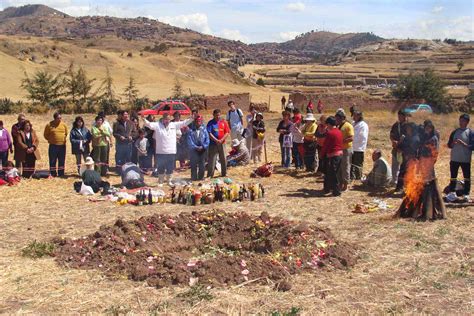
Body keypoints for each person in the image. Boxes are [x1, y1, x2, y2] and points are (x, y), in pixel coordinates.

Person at [142, 113, 192, 185]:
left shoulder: (174, 125)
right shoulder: (157, 125)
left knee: (170, 167)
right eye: (165, 119)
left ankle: (169, 181)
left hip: (171, 151)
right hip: (161, 151)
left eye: (168, 119)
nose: (167, 121)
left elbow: (184, 123)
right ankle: (160, 182)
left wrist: (191, 118)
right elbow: (149, 124)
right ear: (163, 119)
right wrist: (144, 119)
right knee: (161, 167)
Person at [447, 114, 473, 202]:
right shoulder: (455, 132)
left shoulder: (470, 133)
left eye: (463, 121)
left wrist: (463, 144)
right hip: (454, 158)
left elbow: (472, 146)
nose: (461, 122)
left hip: (465, 159)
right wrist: (453, 143)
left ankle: (466, 194)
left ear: (467, 122)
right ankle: (452, 192)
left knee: (466, 177)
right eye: (460, 120)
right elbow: (449, 145)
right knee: (453, 176)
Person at [321, 116, 343, 196]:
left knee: (332, 174)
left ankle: (336, 191)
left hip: (332, 155)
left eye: (327, 124)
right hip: (340, 154)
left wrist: (322, 154)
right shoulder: (339, 131)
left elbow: (326, 145)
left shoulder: (330, 133)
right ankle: (327, 188)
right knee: (333, 173)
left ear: (329, 124)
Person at [395, 122, 421, 192]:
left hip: (411, 160)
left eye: (409, 128)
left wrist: (407, 153)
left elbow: (413, 149)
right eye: (407, 128)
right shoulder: (405, 137)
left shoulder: (415, 138)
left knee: (410, 174)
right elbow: (401, 146)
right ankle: (399, 187)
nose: (407, 129)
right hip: (404, 158)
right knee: (402, 172)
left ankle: (410, 189)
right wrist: (399, 148)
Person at [207, 109, 230, 178]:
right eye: (216, 115)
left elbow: (227, 132)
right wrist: (216, 140)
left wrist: (222, 139)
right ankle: (210, 175)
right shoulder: (210, 123)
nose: (218, 116)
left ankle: (224, 173)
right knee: (212, 159)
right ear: (213, 115)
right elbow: (209, 133)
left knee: (223, 158)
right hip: (213, 144)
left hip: (222, 143)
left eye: (219, 115)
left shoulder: (223, 122)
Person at [44, 112, 68, 177]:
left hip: (62, 146)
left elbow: (66, 133)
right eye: (58, 118)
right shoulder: (49, 125)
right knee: (52, 160)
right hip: (53, 146)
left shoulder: (64, 125)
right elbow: (45, 135)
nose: (60, 119)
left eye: (60, 118)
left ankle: (61, 173)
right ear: (54, 118)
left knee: (62, 160)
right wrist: (51, 140)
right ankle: (53, 173)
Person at [187, 115, 210, 181]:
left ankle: (201, 177)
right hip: (194, 150)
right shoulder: (190, 130)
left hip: (202, 149)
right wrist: (196, 147)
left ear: (201, 121)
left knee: (202, 164)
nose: (198, 122)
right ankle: (194, 177)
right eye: (197, 121)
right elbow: (189, 140)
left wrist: (203, 146)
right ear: (194, 122)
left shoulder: (204, 129)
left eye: (199, 121)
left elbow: (207, 139)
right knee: (193, 164)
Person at [335, 110, 354, 191]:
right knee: (339, 167)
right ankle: (340, 183)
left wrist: (342, 141)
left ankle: (346, 185)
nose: (336, 120)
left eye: (338, 119)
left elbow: (351, 138)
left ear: (342, 118)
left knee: (345, 166)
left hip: (346, 149)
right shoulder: (338, 126)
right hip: (339, 149)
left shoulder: (348, 126)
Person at [389, 110, 408, 186]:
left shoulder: (409, 125)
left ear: (405, 116)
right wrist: (393, 141)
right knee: (395, 166)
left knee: (404, 167)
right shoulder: (396, 125)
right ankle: (395, 181)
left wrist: (400, 143)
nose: (399, 117)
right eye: (398, 116)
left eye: (401, 116)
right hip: (396, 148)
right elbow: (391, 134)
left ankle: (403, 183)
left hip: (404, 150)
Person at [351, 110, 369, 180]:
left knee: (357, 163)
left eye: (355, 115)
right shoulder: (353, 123)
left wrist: (352, 139)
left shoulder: (363, 125)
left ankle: (358, 177)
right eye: (353, 115)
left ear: (359, 116)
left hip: (359, 147)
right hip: (352, 147)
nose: (354, 117)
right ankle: (352, 176)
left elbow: (362, 137)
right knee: (351, 163)